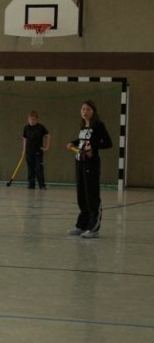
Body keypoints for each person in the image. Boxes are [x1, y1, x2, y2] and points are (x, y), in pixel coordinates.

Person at [66, 100, 113, 239]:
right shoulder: (83, 126)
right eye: (83, 109)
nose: (85, 112)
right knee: (81, 195)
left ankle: (93, 228)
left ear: (93, 111)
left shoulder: (98, 125)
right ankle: (82, 225)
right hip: (79, 162)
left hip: (91, 164)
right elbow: (83, 141)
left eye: (88, 109)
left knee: (91, 195)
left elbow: (108, 143)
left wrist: (93, 148)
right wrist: (73, 143)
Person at [22, 110, 51, 189]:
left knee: (39, 168)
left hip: (38, 152)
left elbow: (48, 136)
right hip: (29, 152)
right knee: (30, 169)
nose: (31, 121)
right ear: (28, 119)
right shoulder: (26, 128)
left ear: (36, 119)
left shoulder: (40, 127)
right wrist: (24, 150)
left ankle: (42, 185)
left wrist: (46, 147)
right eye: (30, 119)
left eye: (33, 119)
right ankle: (31, 185)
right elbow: (24, 139)